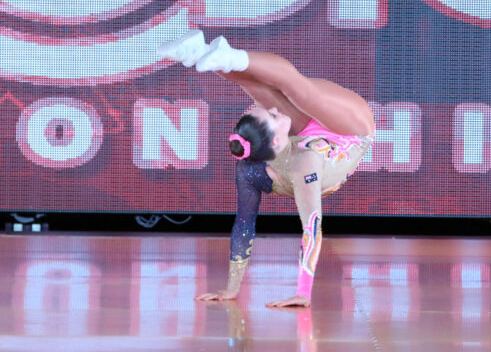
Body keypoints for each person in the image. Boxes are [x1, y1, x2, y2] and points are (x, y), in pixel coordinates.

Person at [157, 30, 376, 308]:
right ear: (276, 141)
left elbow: (244, 227)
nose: (276, 111)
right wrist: (302, 293)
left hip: (307, 134)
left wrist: (231, 289)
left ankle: (200, 53)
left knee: (254, 85)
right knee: (296, 88)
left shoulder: (261, 152)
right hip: (351, 131)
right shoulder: (296, 165)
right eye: (273, 116)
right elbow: (306, 227)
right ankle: (219, 55)